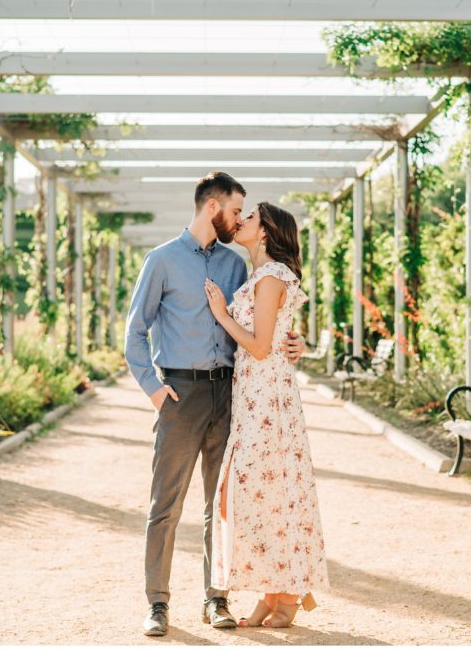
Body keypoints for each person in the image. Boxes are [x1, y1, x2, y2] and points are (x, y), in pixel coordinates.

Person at [124, 172, 306, 637]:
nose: (240, 218)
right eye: (235, 209)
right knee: (166, 503)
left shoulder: (235, 265)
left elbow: (262, 316)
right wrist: (154, 389)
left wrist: (293, 341)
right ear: (212, 207)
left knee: (220, 504)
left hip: (230, 396)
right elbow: (134, 332)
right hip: (180, 395)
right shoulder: (160, 260)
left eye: (246, 214)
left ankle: (216, 598)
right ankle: (157, 604)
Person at [203, 201, 330, 629]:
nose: (240, 222)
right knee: (261, 493)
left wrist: (221, 315)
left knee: (269, 490)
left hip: (268, 399)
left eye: (250, 217)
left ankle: (289, 594)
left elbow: (259, 346)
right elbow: (276, 336)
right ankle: (269, 593)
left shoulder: (272, 276)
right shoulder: (260, 276)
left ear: (265, 231)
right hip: (253, 396)